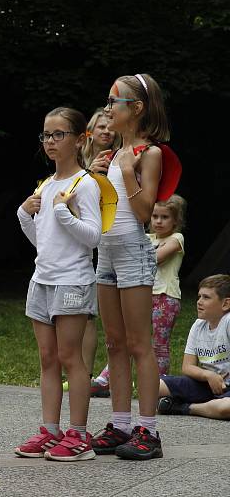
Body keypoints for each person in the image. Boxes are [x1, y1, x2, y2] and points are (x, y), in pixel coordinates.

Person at [88, 73, 169, 460]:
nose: (108, 108)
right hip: (106, 252)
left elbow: (143, 212)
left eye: (114, 101)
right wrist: (99, 177)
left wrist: (123, 174)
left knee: (140, 344)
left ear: (135, 109)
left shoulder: (147, 154)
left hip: (134, 252)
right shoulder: (110, 154)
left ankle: (148, 432)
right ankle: (120, 425)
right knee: (114, 343)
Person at [14, 108, 101, 461]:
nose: (50, 142)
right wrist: (24, 215)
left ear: (80, 139)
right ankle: (50, 431)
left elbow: (93, 237)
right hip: (43, 279)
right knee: (47, 358)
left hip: (72, 281)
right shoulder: (47, 185)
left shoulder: (85, 184)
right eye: (46, 135)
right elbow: (43, 241)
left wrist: (64, 212)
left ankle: (78, 435)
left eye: (58, 135)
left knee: (71, 358)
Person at [92, 195, 187, 396]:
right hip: (141, 293)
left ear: (175, 221)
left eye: (165, 217)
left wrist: (131, 254)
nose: (159, 221)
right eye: (154, 216)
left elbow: (156, 258)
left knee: (158, 344)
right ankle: (106, 379)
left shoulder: (176, 239)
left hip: (165, 297)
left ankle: (159, 385)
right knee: (126, 338)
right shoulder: (145, 239)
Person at [78, 108, 121, 378]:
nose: (106, 131)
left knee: (98, 315)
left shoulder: (116, 160)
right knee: (82, 313)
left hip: (108, 239)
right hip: (80, 242)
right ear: (89, 133)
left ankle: (100, 373)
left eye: (110, 127)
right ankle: (79, 372)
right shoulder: (77, 161)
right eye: (100, 127)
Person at [157, 275, 230, 420]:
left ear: (226, 304)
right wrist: (208, 375)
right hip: (205, 384)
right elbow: (187, 367)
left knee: (226, 408)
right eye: (199, 297)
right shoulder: (198, 325)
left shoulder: (228, 322)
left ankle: (185, 407)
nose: (199, 302)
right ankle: (208, 406)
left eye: (206, 297)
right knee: (152, 385)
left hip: (227, 388)